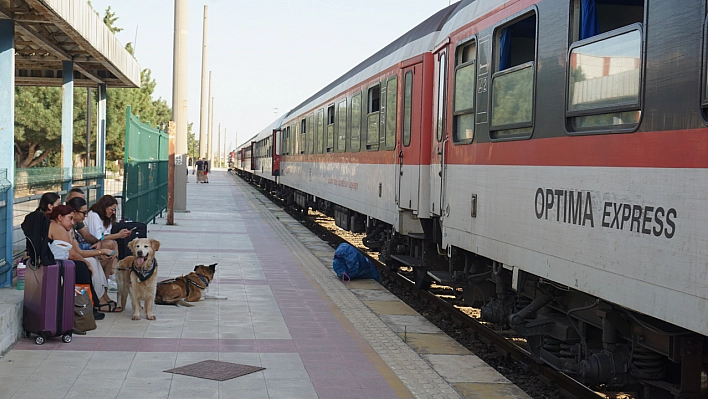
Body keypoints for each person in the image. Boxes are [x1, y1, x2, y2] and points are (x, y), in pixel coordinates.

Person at [48, 205, 121, 313]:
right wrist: (87, 262)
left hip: (62, 261)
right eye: (70, 218)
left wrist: (100, 252)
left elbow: (78, 251)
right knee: (87, 264)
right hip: (57, 264)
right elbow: (73, 254)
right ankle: (95, 301)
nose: (72, 222)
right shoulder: (58, 228)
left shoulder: (66, 229)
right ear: (60, 217)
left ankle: (102, 296)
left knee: (92, 261)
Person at [84, 195, 131, 278]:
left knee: (114, 243)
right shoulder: (94, 215)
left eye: (115, 210)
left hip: (98, 242)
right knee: (110, 244)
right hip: (88, 243)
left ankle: (111, 274)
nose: (113, 212)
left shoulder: (107, 218)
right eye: (112, 209)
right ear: (104, 207)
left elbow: (105, 235)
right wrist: (118, 235)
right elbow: (98, 238)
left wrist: (118, 236)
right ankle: (112, 273)